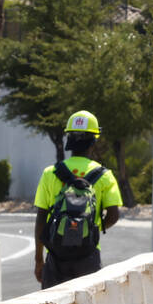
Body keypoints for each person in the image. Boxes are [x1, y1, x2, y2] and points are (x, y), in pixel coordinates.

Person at [33, 110, 122, 288]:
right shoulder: (105, 176)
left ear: (69, 140)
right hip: (88, 254)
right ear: (94, 140)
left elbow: (41, 219)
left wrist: (38, 260)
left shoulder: (50, 173)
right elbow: (113, 215)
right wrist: (92, 227)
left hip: (55, 257)